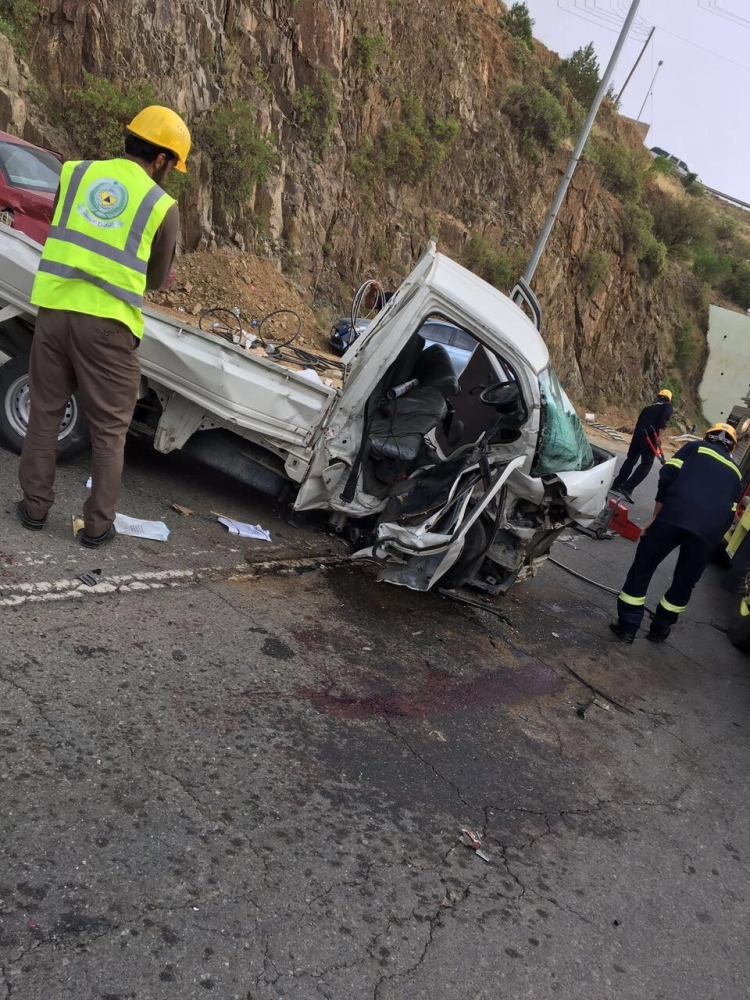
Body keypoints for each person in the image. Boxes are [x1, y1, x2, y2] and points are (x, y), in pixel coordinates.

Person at [16, 106, 190, 548]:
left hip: (55, 311)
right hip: (109, 328)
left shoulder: (75, 173)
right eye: (173, 164)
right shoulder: (161, 205)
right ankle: (96, 528)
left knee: (44, 414)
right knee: (109, 433)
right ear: (164, 159)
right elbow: (154, 278)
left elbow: (62, 226)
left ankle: (34, 509)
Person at [610, 422, 741, 644]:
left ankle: (627, 627)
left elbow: (667, 477)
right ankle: (659, 629)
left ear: (708, 437)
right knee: (684, 581)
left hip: (673, 516)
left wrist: (655, 517)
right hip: (707, 533)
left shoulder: (695, 448)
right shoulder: (736, 472)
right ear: (731, 447)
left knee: (644, 566)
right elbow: (730, 514)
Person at [611, 389, 674, 503]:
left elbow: (639, 422)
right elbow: (663, 420)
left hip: (638, 433)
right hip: (650, 435)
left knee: (631, 460)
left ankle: (616, 485)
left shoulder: (648, 406)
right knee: (647, 464)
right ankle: (627, 488)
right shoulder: (667, 406)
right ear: (668, 399)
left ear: (659, 396)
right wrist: (659, 437)